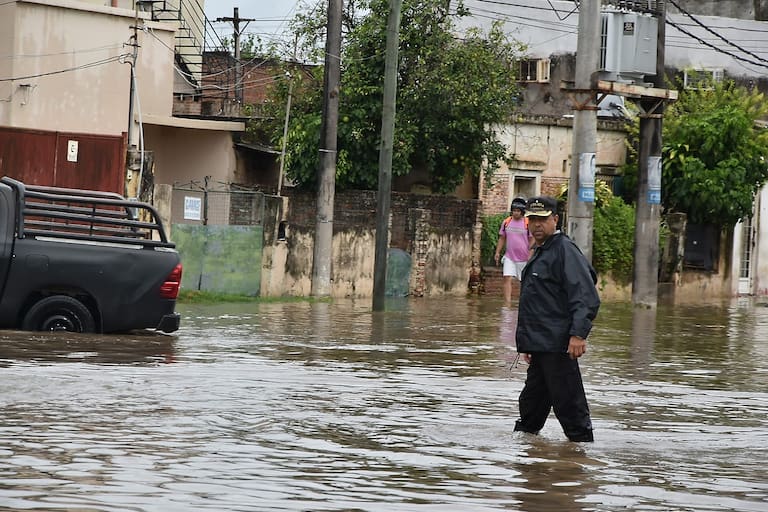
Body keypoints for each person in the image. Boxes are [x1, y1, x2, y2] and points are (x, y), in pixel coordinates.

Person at [513, 195, 600, 442]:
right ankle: (526, 457)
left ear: (555, 219)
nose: (536, 225)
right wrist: (530, 345)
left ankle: (581, 458)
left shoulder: (563, 250)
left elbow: (585, 296)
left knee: (569, 405)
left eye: (542, 219)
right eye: (532, 220)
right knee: (531, 407)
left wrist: (578, 334)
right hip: (541, 346)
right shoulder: (542, 251)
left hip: (558, 345)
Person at [494, 197, 533, 302]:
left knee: (523, 281)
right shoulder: (507, 222)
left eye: (518, 211)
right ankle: (507, 303)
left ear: (522, 212)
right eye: (514, 211)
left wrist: (530, 253)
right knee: (507, 278)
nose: (515, 213)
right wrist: (497, 252)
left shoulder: (527, 223)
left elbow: (532, 239)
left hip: (523, 258)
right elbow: (502, 238)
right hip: (509, 256)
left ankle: (523, 302)